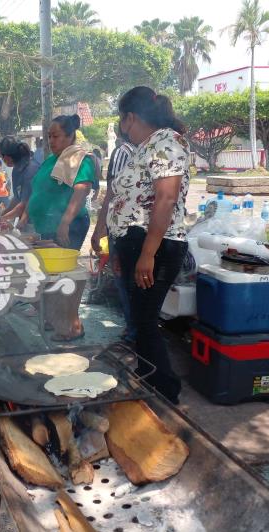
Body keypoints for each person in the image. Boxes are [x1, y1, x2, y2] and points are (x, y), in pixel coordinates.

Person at [106, 86, 190, 404]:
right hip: (138, 242)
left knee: (144, 319)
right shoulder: (145, 146)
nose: (121, 126)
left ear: (130, 117)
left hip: (157, 244)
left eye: (121, 119)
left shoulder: (166, 140)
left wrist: (147, 254)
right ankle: (149, 380)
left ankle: (165, 391)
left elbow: (166, 198)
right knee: (139, 319)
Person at [26, 114, 95, 341]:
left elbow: (81, 190)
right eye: (48, 136)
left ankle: (73, 326)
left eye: (55, 136)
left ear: (69, 136)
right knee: (47, 275)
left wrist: (64, 222)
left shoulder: (79, 159)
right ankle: (53, 317)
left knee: (66, 277)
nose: (51, 141)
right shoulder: (51, 160)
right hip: (48, 225)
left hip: (69, 225)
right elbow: (38, 191)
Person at [92, 134, 137, 344]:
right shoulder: (147, 150)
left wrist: (99, 228)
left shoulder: (122, 152)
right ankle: (138, 330)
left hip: (122, 230)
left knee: (124, 282)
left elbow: (112, 193)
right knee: (134, 284)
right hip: (139, 229)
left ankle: (133, 333)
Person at [0, 137, 40, 225]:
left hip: (37, 222)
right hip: (24, 221)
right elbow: (17, 199)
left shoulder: (31, 170)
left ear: (6, 157)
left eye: (1, 156)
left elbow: (24, 204)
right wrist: (2, 215)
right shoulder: (16, 170)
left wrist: (3, 218)